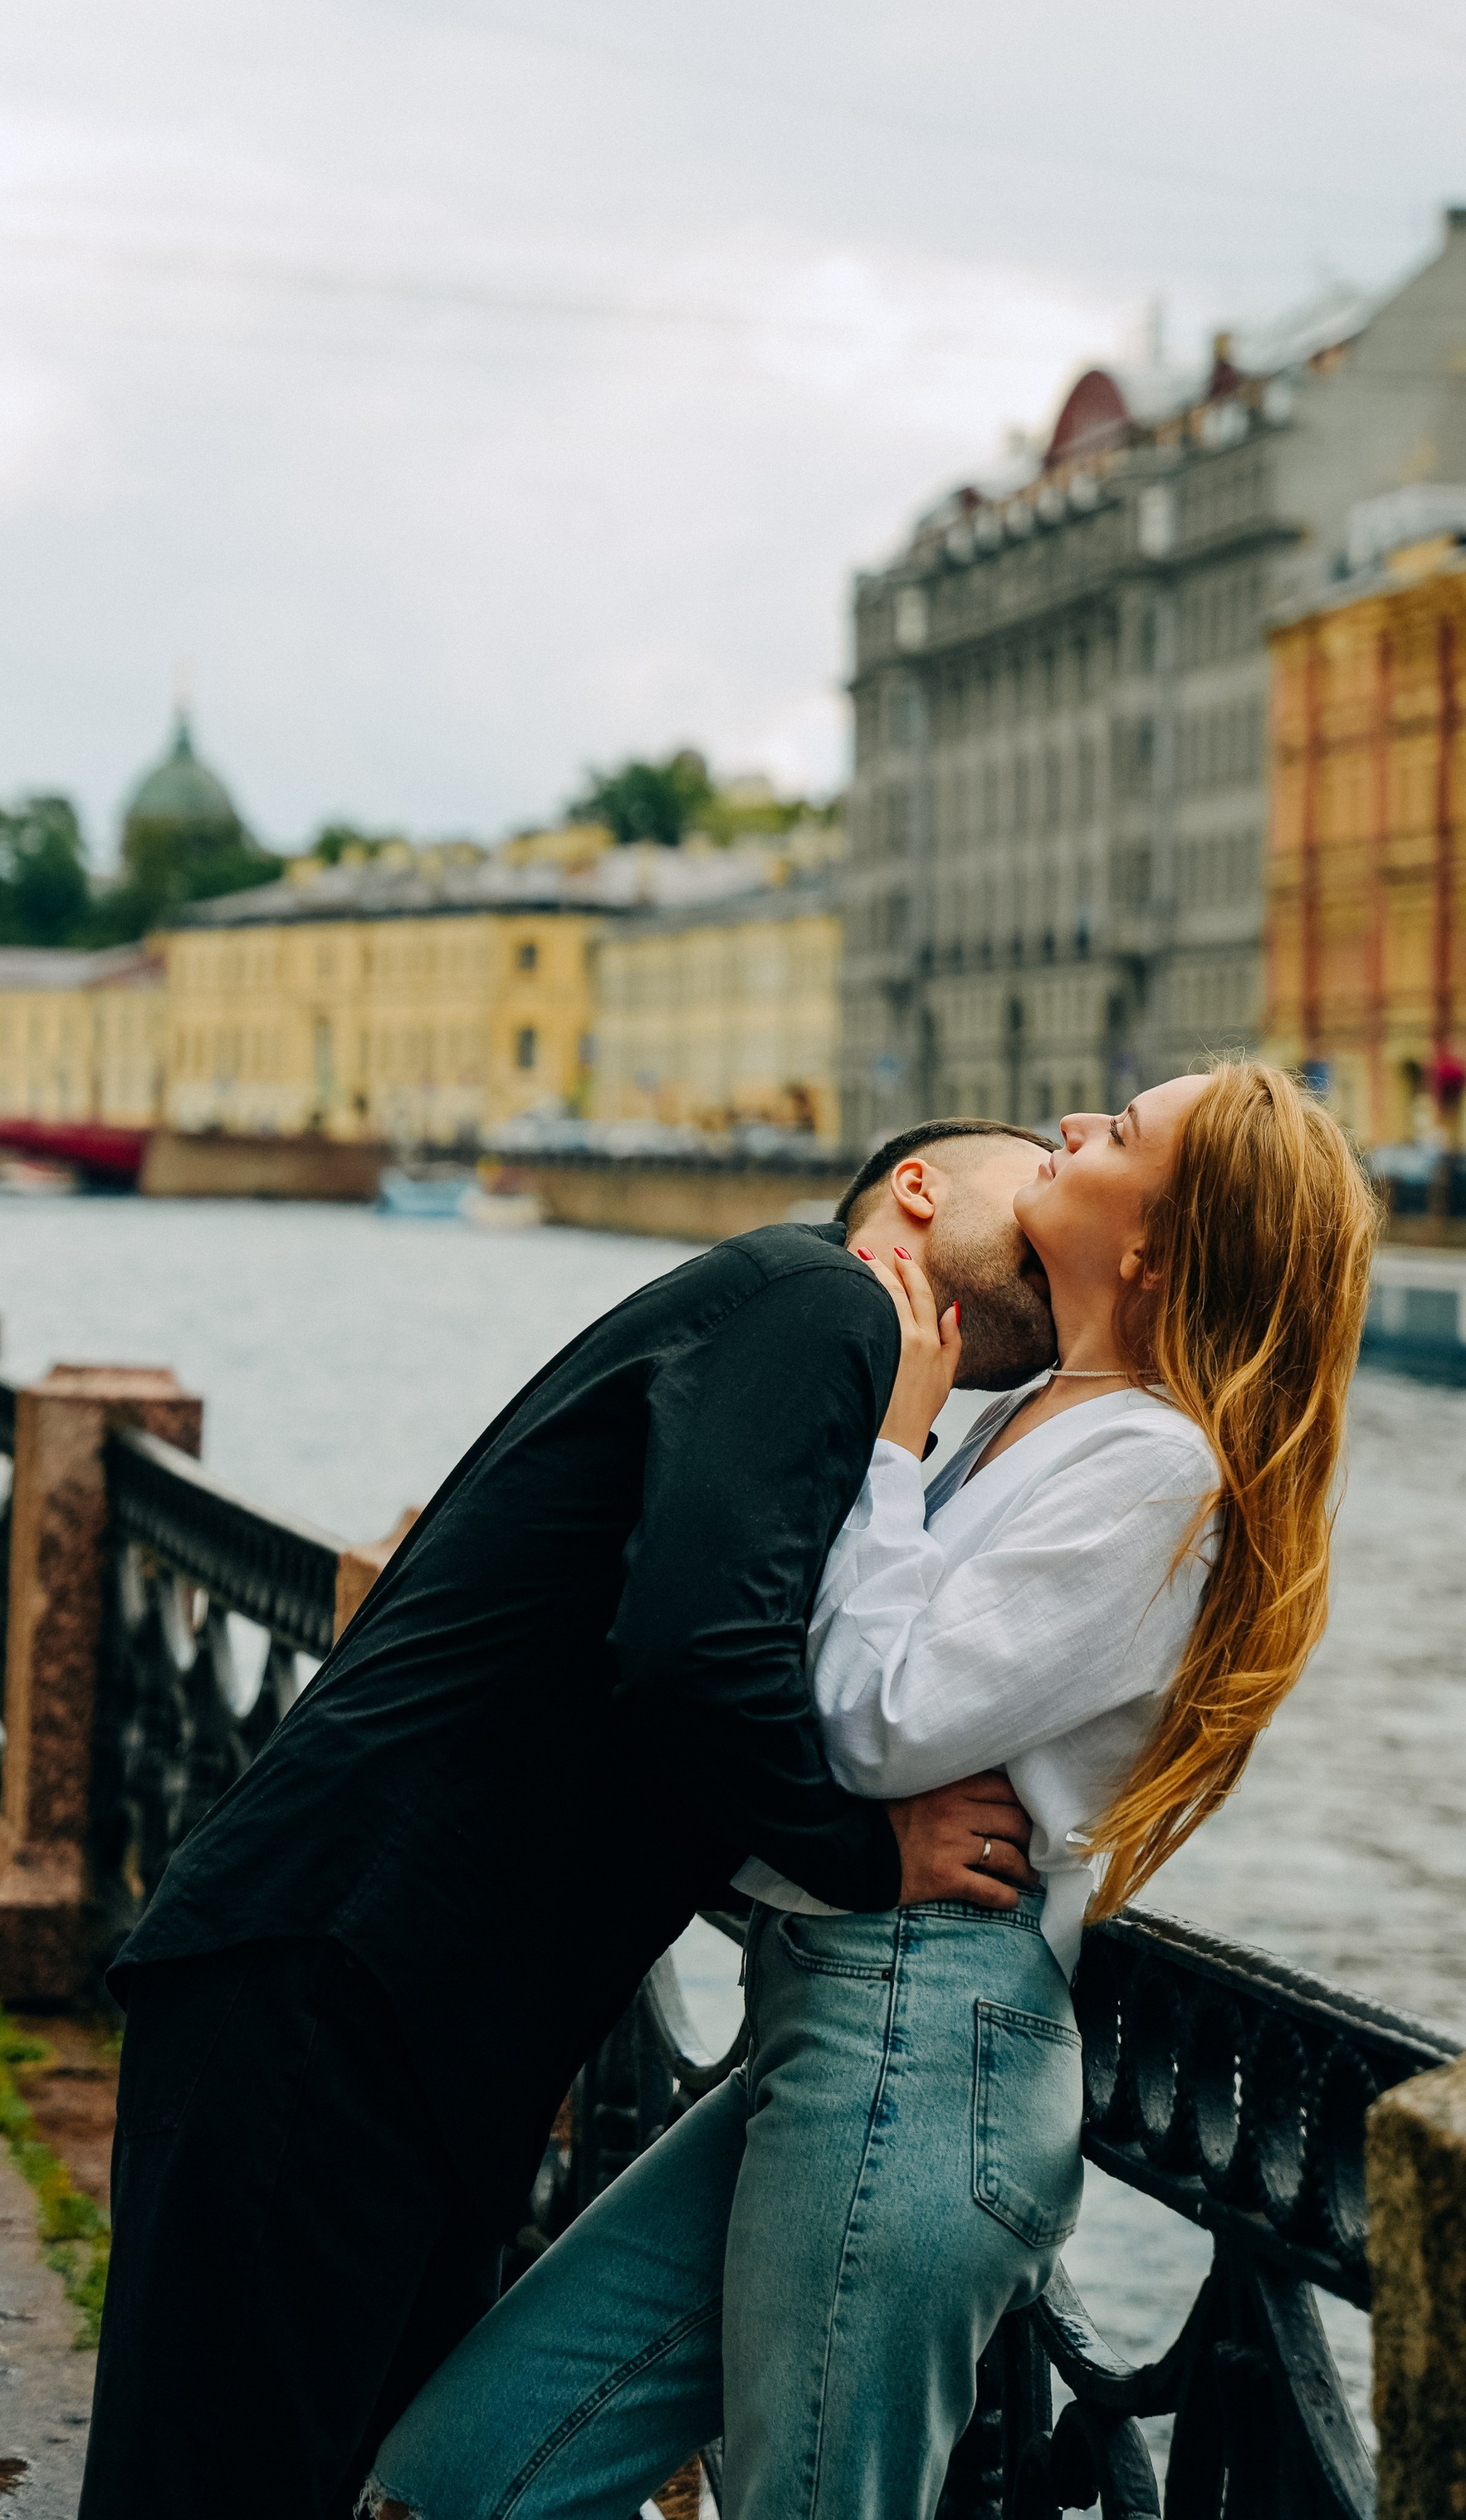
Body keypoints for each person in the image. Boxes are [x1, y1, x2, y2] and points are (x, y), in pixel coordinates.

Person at [365, 1059, 1378, 2520]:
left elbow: (867, 1723)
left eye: (1121, 1130)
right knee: (461, 2479)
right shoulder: (1042, 1420)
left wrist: (893, 1442)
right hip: (836, 2017)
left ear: (1157, 1247)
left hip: (925, 2034)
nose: (1074, 1127)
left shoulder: (1160, 1472)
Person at [76, 1117, 1064, 2520]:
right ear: (920, 1187)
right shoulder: (827, 1297)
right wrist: (870, 1854)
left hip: (392, 2002)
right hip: (335, 1981)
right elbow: (693, 1651)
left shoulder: (821, 1350)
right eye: (1041, 1179)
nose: (1065, 1204)